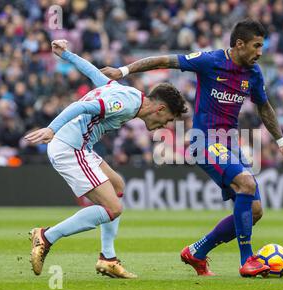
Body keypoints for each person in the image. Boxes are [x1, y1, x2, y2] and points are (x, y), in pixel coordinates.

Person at [101, 19, 283, 277]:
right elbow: (165, 60)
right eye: (256, 46)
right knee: (246, 185)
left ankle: (197, 252)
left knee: (254, 210)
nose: (260, 52)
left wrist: (282, 142)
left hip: (230, 143)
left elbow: (264, 106)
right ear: (239, 44)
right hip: (204, 140)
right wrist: (123, 71)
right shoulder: (210, 61)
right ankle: (246, 260)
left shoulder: (254, 73)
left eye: (262, 46)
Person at [25, 40, 187, 278]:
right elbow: (81, 107)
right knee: (113, 208)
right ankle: (46, 236)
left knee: (118, 185)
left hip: (81, 146)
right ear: (160, 109)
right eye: (169, 119)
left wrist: (66, 54)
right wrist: (51, 128)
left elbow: (94, 74)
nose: (165, 125)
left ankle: (107, 259)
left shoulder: (132, 95)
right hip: (70, 147)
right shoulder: (125, 104)